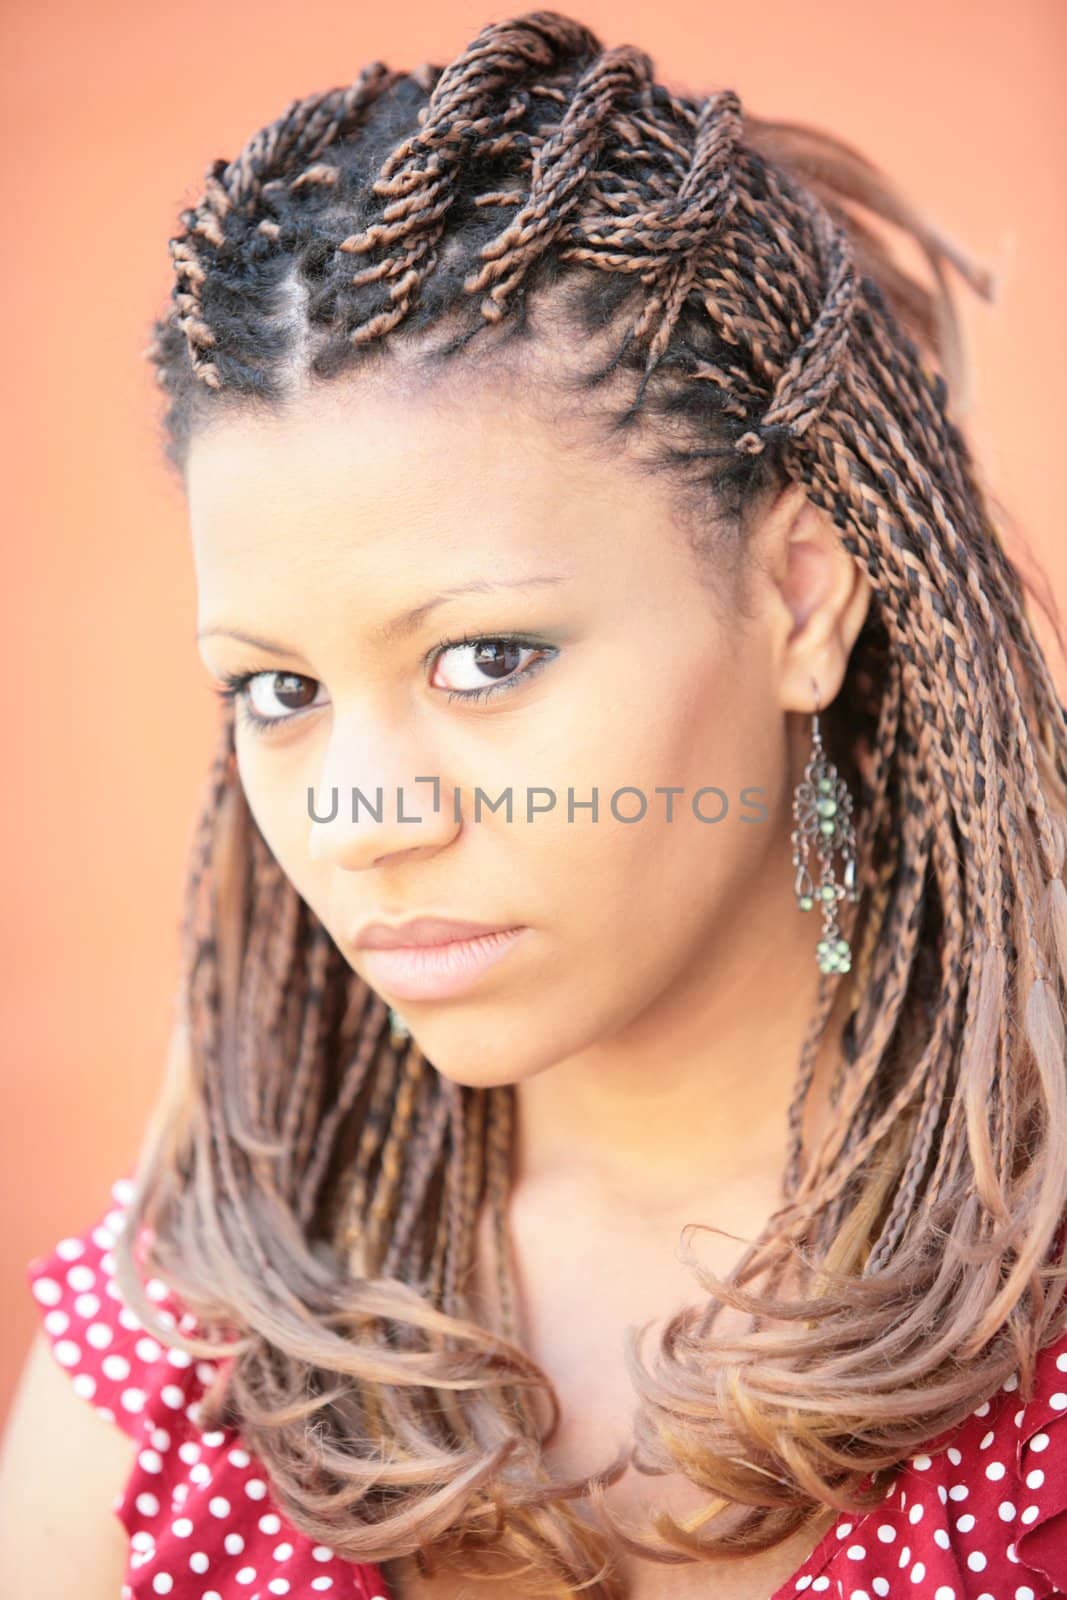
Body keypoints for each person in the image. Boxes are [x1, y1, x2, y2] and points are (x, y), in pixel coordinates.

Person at [3, 9, 1066, 1599]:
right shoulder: (173, 1380)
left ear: (799, 596)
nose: (362, 814)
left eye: (486, 657)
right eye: (277, 691)